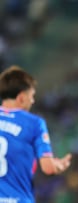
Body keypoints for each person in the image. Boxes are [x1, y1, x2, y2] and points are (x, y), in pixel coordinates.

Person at [0, 66, 72, 203]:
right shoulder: (34, 124)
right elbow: (48, 168)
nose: (33, 101)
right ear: (21, 98)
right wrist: (58, 165)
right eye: (31, 96)